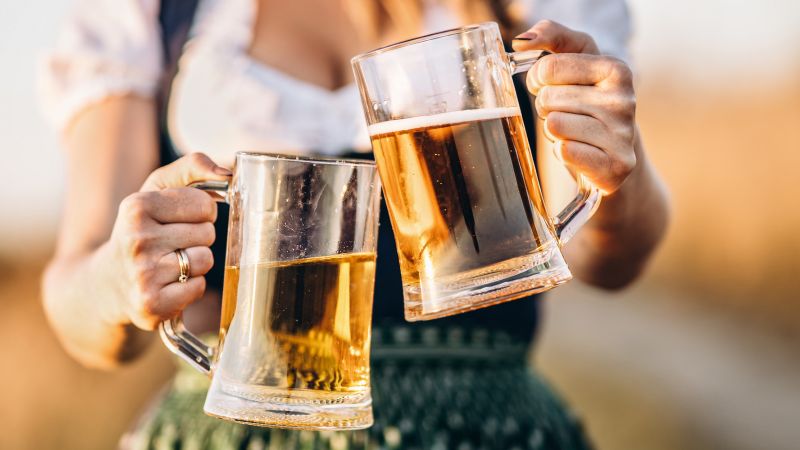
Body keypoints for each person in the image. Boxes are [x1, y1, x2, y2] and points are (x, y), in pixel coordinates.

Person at [39, 0, 669, 448]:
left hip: (488, 431)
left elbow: (606, 261)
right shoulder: (150, 14)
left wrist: (615, 165)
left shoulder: (529, 9)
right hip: (236, 435)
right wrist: (117, 281)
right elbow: (80, 297)